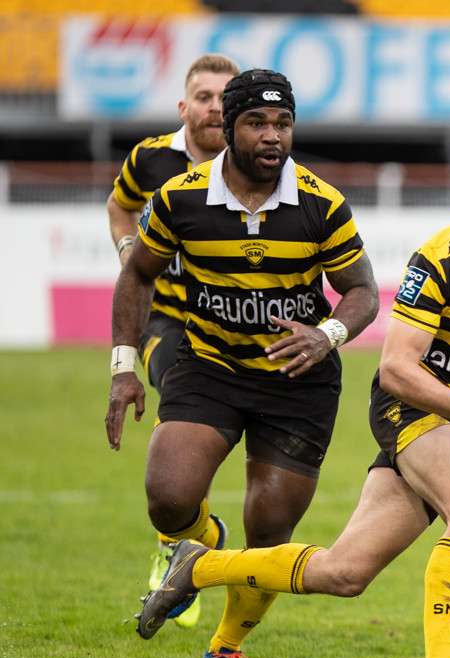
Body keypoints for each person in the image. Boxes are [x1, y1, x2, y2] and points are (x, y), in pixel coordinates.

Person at [136, 134, 450, 658]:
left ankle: (199, 565)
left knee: (346, 571)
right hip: (410, 404)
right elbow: (397, 368)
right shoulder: (437, 260)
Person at [108, 68, 380, 658]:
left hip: (298, 380)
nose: (272, 135)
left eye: (283, 123)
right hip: (211, 366)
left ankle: (225, 646)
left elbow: (362, 291)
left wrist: (327, 334)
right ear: (229, 128)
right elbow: (139, 273)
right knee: (168, 497)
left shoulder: (321, 202)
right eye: (257, 122)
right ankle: (202, 540)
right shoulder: (180, 197)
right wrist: (123, 368)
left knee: (270, 534)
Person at [106, 52, 241, 628]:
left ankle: (200, 535)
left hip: (234, 323)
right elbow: (119, 205)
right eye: (204, 97)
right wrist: (128, 253)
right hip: (167, 318)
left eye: (225, 99)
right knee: (178, 396)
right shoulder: (151, 159)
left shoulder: (254, 164)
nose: (215, 108)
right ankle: (176, 542)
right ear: (184, 106)